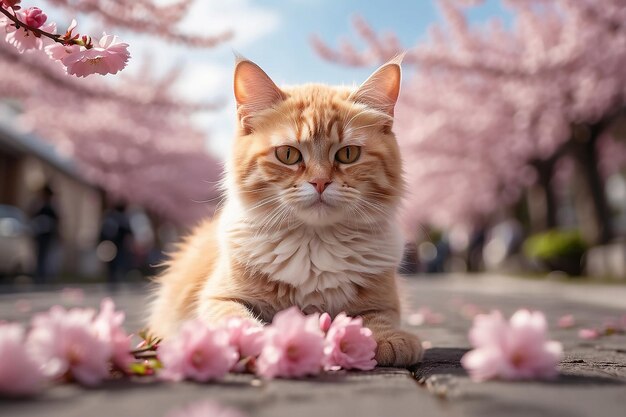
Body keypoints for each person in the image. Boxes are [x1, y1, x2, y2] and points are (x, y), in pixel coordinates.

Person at [99, 202, 134, 291]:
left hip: (107, 245)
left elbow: (101, 232)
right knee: (118, 264)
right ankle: (117, 281)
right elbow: (129, 231)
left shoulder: (109, 217)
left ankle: (111, 281)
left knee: (111, 266)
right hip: (119, 246)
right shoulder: (122, 219)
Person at [31, 185, 60, 284]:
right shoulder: (39, 205)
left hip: (48, 235)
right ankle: (39, 275)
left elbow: (58, 220)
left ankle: (44, 276)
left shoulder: (52, 206)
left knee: (47, 256)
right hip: (40, 234)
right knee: (40, 255)